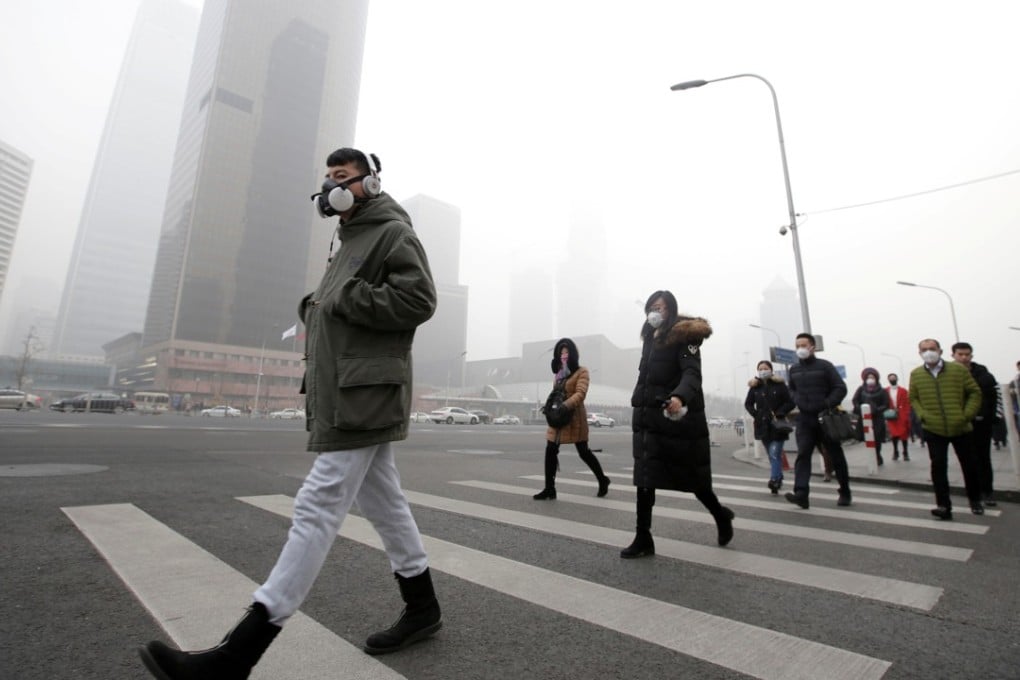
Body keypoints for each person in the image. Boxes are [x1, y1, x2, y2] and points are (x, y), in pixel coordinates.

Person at [140, 148, 442, 679]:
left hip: (363, 392)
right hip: (348, 388)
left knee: (317, 504)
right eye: (328, 179)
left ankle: (239, 655)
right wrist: (316, 305)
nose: (332, 188)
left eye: (343, 178)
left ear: (369, 183)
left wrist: (343, 298)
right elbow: (341, 301)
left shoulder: (392, 232)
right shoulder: (350, 238)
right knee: (386, 501)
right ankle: (423, 607)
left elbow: (419, 300)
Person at [621, 291, 733, 558]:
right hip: (649, 418)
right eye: (651, 307)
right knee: (645, 477)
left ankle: (720, 514)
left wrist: (679, 397)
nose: (655, 312)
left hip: (678, 419)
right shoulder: (649, 338)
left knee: (694, 479)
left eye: (660, 307)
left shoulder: (686, 336)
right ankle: (643, 537)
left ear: (671, 310)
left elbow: (692, 373)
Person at [909, 338, 983, 520]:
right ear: (920, 353)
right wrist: (923, 415)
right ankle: (943, 505)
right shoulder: (916, 374)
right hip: (933, 427)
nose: (929, 352)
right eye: (924, 350)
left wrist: (966, 415)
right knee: (938, 467)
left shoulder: (958, 369)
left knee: (969, 465)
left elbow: (974, 392)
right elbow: (914, 398)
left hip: (960, 426)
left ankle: (975, 500)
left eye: (932, 348)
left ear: (940, 351)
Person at [533, 338, 611, 500]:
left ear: (573, 354)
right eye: (561, 353)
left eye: (566, 352)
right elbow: (557, 394)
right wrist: (550, 407)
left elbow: (581, 393)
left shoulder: (582, 371)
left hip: (574, 418)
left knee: (583, 452)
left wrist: (566, 405)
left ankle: (603, 480)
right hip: (558, 418)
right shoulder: (559, 374)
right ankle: (549, 488)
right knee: (550, 450)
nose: (563, 355)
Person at [785, 333, 852, 509]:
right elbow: (791, 389)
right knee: (803, 455)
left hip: (825, 418)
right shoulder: (794, 369)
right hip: (805, 419)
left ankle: (845, 491)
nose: (800, 348)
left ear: (812, 347)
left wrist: (827, 403)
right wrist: (796, 399)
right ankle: (801, 493)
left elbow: (840, 388)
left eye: (803, 345)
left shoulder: (825, 366)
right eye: (797, 345)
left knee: (835, 455)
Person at [951, 342, 999, 507]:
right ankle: (974, 492)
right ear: (953, 355)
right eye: (960, 354)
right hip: (961, 424)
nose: (964, 357)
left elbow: (994, 397)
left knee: (983, 458)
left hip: (982, 423)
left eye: (967, 354)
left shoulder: (984, 374)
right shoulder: (948, 375)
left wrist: (991, 417)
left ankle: (988, 491)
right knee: (968, 460)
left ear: (971, 355)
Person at [744, 360, 795, 494]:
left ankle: (774, 480)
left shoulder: (780, 385)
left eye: (765, 368)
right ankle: (778, 476)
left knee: (774, 453)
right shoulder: (755, 387)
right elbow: (748, 404)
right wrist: (756, 414)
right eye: (760, 369)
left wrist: (780, 412)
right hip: (763, 425)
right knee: (771, 454)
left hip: (777, 424)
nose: (763, 371)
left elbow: (790, 402)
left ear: (771, 370)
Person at [851, 368, 890, 467]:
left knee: (876, 438)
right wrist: (860, 408)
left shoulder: (882, 390)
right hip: (864, 418)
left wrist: (876, 409)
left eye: (872, 377)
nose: (870, 379)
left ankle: (877, 455)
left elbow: (886, 404)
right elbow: (855, 400)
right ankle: (872, 456)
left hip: (877, 418)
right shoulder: (861, 389)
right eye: (868, 377)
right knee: (867, 438)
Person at [885, 373, 912, 461]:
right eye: (890, 378)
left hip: (902, 415)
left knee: (903, 434)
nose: (892, 379)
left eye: (894, 378)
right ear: (888, 380)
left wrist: (906, 413)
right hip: (891, 415)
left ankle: (905, 452)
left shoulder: (903, 391)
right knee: (894, 434)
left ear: (897, 379)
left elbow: (908, 403)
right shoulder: (885, 391)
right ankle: (895, 451)